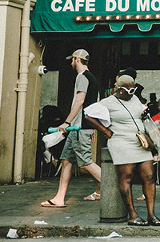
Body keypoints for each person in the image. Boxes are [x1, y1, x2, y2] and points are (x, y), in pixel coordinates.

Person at [85, 75, 160, 226]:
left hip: (141, 141)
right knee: (127, 176)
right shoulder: (108, 102)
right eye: (128, 89)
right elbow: (88, 115)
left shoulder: (135, 99)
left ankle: (151, 215)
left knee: (149, 175)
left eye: (134, 89)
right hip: (121, 141)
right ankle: (132, 215)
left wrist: (144, 114)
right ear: (119, 89)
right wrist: (105, 131)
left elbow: (138, 113)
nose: (132, 92)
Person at [40, 49, 102, 208]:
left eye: (72, 60)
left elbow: (79, 101)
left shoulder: (81, 77)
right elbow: (96, 102)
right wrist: (93, 127)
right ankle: (59, 198)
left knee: (85, 162)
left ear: (77, 59)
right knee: (66, 161)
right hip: (83, 127)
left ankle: (112, 185)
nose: (71, 63)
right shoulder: (93, 78)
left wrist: (66, 123)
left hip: (77, 127)